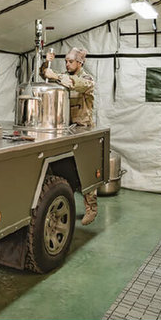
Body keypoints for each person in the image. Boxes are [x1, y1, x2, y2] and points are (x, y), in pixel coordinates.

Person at [41, 47, 98, 225]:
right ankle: (68, 203)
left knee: (86, 170)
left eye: (70, 61)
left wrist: (55, 76)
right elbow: (44, 75)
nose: (67, 64)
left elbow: (75, 83)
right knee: (67, 169)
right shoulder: (64, 76)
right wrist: (46, 62)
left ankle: (91, 208)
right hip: (67, 129)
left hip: (83, 129)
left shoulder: (87, 79)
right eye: (65, 61)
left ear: (80, 63)